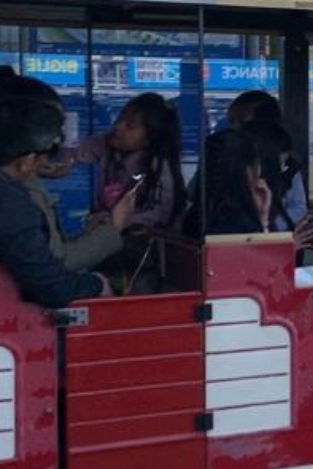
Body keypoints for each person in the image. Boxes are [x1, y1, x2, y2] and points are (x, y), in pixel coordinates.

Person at [0, 68, 129, 271]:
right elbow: (53, 266)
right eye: (50, 126)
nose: (57, 139)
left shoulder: (22, 179)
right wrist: (114, 227)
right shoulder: (16, 194)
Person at [0, 96, 113, 306]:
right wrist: (96, 284)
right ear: (26, 161)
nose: (48, 161)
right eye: (47, 153)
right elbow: (51, 287)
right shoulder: (13, 207)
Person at [70, 92, 185, 232]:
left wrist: (118, 220)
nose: (118, 126)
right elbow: (73, 151)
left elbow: (161, 213)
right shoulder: (106, 145)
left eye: (130, 125)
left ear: (149, 138)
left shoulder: (159, 166)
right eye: (120, 118)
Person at [227, 91, 308, 225]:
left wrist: (270, 227)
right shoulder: (226, 152)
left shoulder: (287, 160)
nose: (237, 129)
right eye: (233, 122)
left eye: (242, 122)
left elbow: (298, 206)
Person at [183, 129, 272, 237]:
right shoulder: (243, 224)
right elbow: (263, 252)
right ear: (247, 170)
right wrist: (264, 221)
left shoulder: (194, 216)